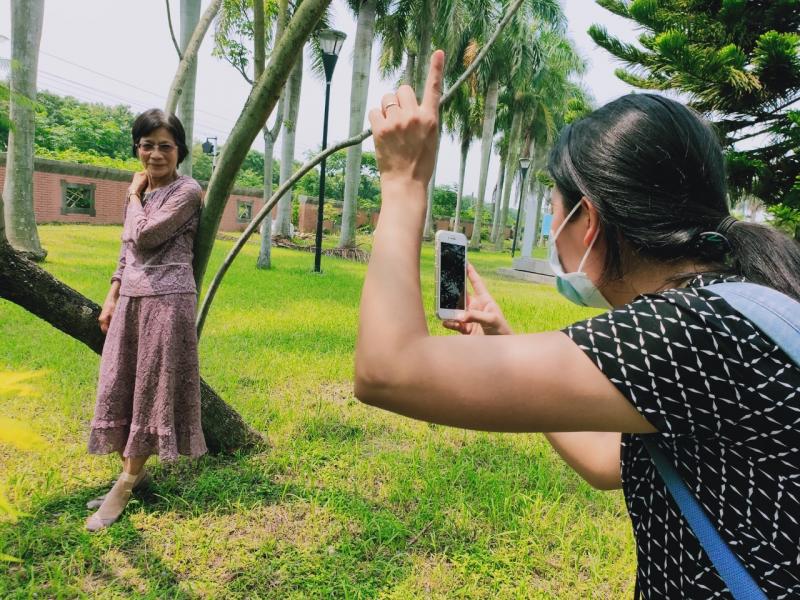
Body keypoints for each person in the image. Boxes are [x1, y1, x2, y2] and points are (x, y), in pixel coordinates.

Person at [355, 51, 800, 597]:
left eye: (553, 209)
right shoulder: (724, 311)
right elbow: (609, 461)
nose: (549, 224)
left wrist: (403, 182)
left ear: (586, 220)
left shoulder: (691, 328)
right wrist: (507, 346)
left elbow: (386, 369)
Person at [86, 109, 207, 531]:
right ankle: (132, 474)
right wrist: (111, 295)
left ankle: (123, 486)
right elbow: (127, 252)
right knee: (122, 383)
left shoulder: (187, 190)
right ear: (138, 148)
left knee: (152, 388)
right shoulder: (141, 193)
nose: (155, 154)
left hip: (168, 300)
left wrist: (132, 197)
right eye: (147, 145)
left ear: (180, 151)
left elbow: (147, 235)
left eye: (165, 146)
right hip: (132, 300)